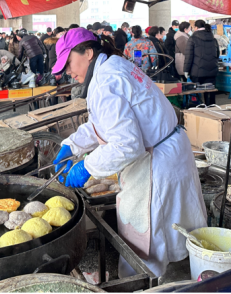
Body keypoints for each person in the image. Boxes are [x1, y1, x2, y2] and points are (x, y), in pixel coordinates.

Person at [51, 28, 206, 277]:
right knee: (170, 230)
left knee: (148, 243)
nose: (67, 72)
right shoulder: (113, 66)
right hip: (168, 149)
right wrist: (73, 144)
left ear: (88, 53)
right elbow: (105, 123)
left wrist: (87, 167)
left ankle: (142, 285)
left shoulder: (105, 81)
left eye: (68, 63)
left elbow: (126, 144)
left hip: (157, 163)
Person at [183, 20, 219, 105]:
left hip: (197, 71)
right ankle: (212, 111)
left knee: (196, 94)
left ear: (196, 28)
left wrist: (186, 70)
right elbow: (217, 54)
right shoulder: (213, 39)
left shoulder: (192, 39)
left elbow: (189, 56)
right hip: (212, 71)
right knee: (210, 93)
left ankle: (198, 111)